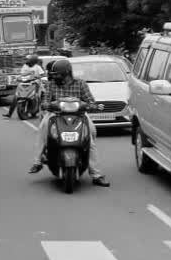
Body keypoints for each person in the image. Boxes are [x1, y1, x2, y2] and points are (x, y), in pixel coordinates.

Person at [28, 58, 111, 186]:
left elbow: (90, 101)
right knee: (43, 128)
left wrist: (92, 106)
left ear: (66, 73)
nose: (55, 77)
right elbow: (45, 101)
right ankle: (37, 161)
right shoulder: (51, 84)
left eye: (58, 75)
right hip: (55, 114)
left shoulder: (80, 83)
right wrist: (47, 105)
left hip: (79, 115)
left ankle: (96, 174)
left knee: (91, 136)